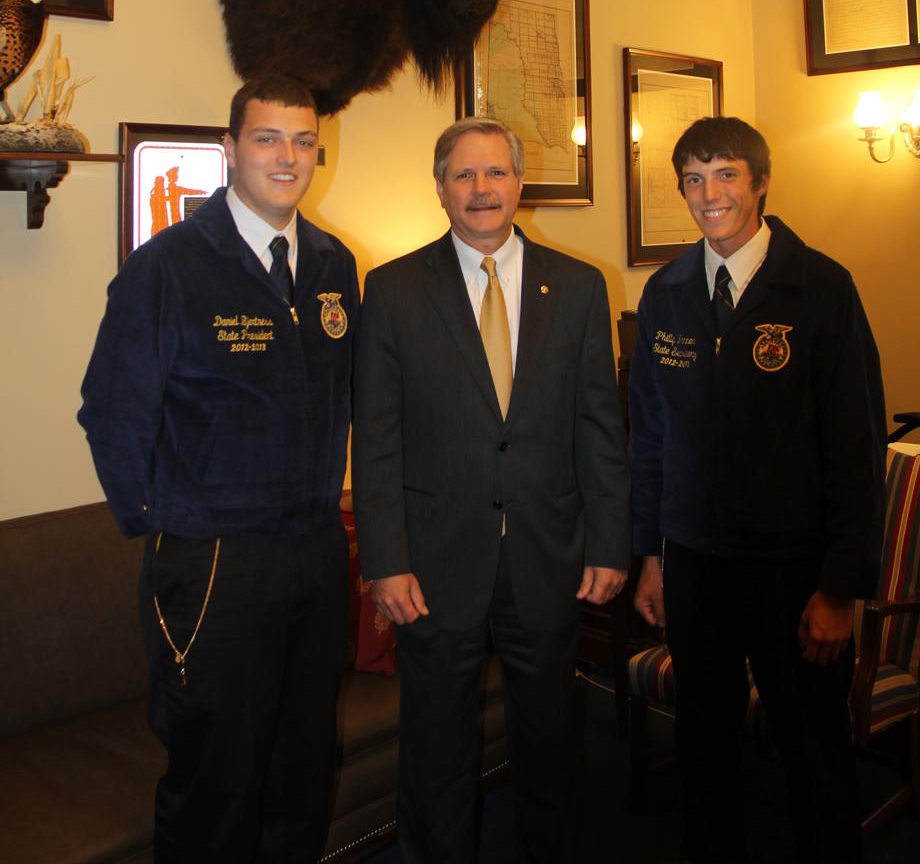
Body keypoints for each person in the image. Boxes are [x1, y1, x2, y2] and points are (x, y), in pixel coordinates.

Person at [78, 76, 359, 864]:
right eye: (268, 139)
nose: (287, 157)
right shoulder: (169, 267)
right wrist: (171, 524)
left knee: (303, 773)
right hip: (215, 564)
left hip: (314, 551)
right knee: (217, 787)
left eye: (303, 141)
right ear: (231, 150)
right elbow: (111, 413)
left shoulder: (334, 264)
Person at [352, 116, 630, 864]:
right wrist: (384, 561)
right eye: (464, 175)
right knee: (435, 754)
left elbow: (599, 427)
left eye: (496, 172)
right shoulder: (393, 290)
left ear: (519, 183)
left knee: (550, 745)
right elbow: (375, 439)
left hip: (547, 554)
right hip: (433, 564)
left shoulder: (578, 286)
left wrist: (610, 541)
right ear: (440, 188)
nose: (482, 189)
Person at [629, 116, 886, 864]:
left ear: (762, 182)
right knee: (705, 750)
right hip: (697, 566)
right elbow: (649, 437)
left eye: (726, 175)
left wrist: (839, 588)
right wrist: (650, 556)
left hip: (794, 573)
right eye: (693, 179)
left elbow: (856, 447)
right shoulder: (667, 293)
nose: (709, 194)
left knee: (813, 756)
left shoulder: (822, 288)